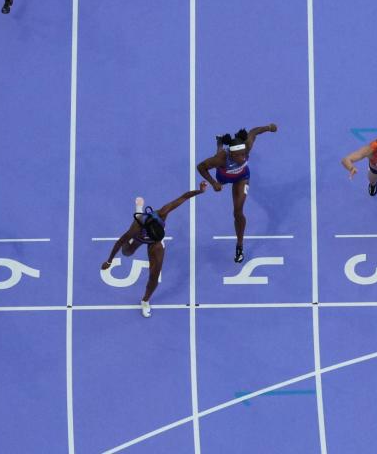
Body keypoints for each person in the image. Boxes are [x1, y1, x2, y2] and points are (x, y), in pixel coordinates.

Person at [101, 182, 207, 318]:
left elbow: (184, 197)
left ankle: (145, 301)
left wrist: (200, 191)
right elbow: (118, 243)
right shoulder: (135, 230)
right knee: (126, 252)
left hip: (155, 243)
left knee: (154, 276)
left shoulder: (162, 213)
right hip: (139, 237)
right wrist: (109, 261)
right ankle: (139, 209)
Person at [196, 124, 278, 263]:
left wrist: (269, 127)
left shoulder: (246, 147)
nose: (243, 157)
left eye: (244, 154)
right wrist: (213, 182)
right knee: (217, 155)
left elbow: (253, 132)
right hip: (223, 178)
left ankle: (239, 246)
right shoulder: (222, 158)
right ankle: (220, 142)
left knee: (238, 212)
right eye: (239, 156)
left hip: (242, 178)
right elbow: (201, 167)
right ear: (231, 154)